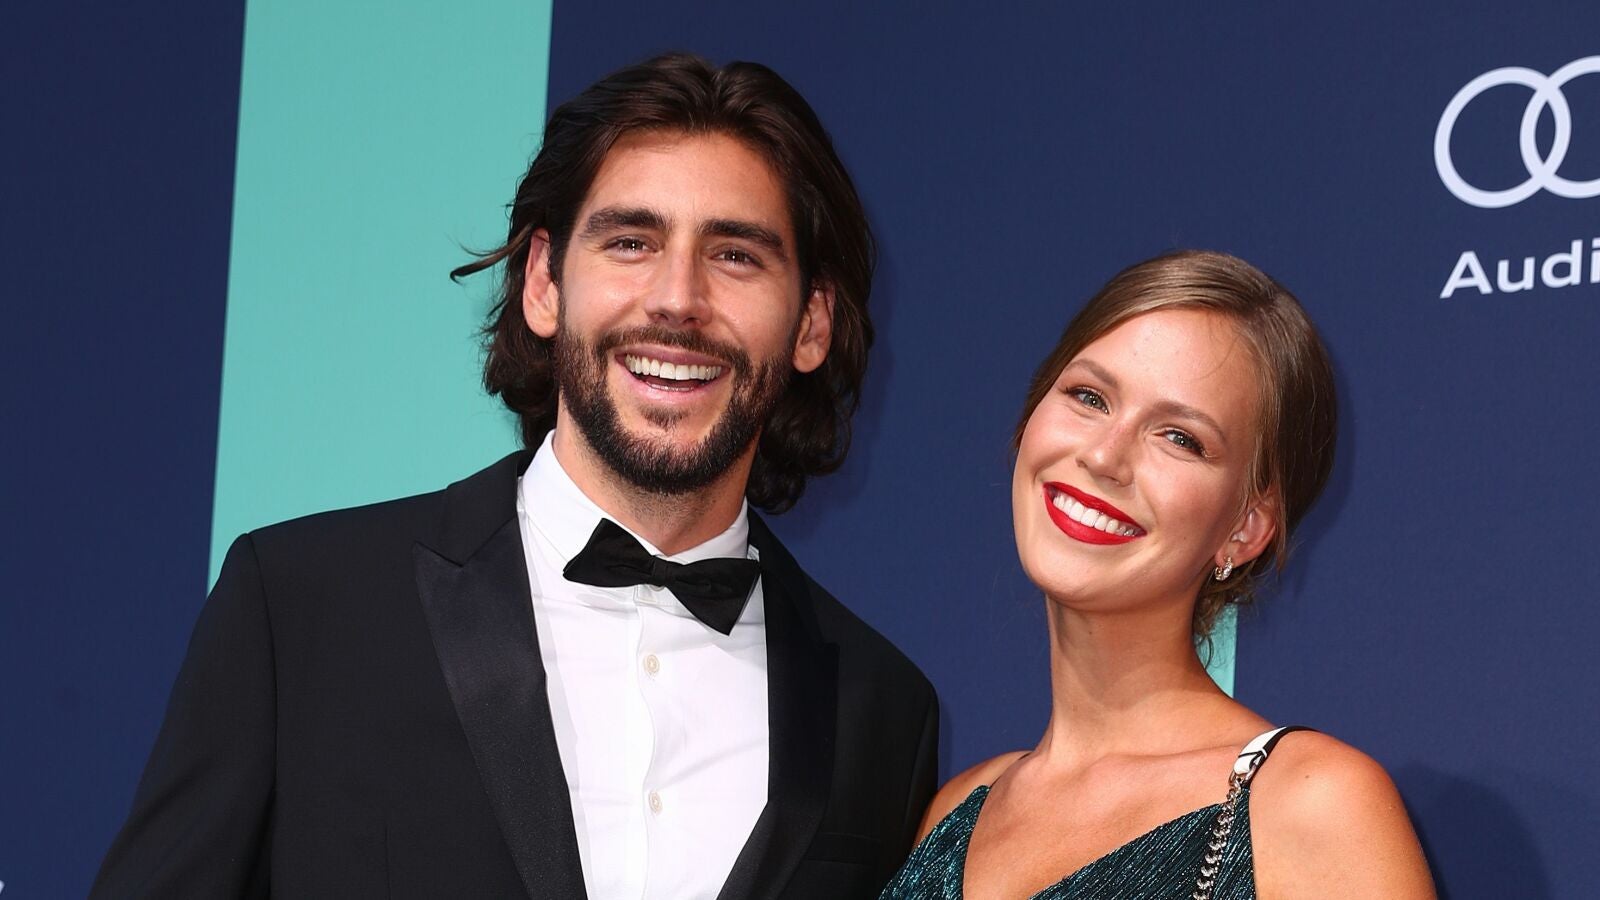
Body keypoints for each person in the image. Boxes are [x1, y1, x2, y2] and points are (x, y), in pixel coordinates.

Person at [93, 53, 937, 900]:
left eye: (736, 255)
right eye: (631, 243)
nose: (677, 298)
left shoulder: (882, 712)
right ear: (543, 282)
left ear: (812, 323)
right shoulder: (301, 607)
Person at [881, 251, 1434, 899]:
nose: (1103, 456)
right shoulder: (957, 811)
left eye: (1179, 437)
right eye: (1089, 397)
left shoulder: (1312, 805)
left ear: (1245, 527)